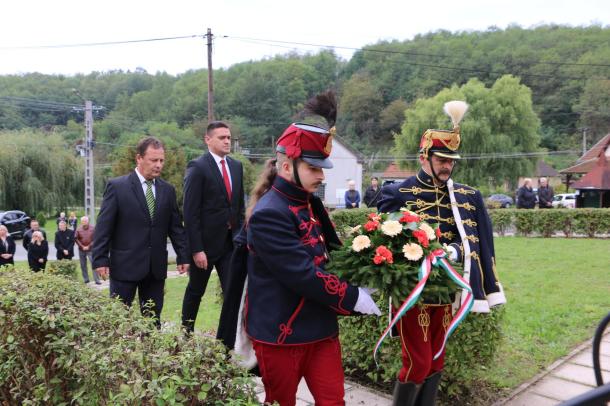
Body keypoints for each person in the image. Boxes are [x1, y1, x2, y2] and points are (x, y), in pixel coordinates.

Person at [245, 91, 381, 405]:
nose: (321, 176)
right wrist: (352, 297)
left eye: (321, 169)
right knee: (281, 402)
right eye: (313, 168)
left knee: (333, 401)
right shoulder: (268, 214)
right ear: (286, 167)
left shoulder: (310, 203)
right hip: (282, 332)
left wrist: (368, 268)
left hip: (320, 327)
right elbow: (302, 274)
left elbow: (331, 254)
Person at [378, 101, 506, 405]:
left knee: (436, 360)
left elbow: (482, 242)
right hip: (414, 293)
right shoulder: (397, 193)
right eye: (441, 159)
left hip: (449, 291)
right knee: (418, 363)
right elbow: (386, 238)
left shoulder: (468, 196)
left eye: (451, 160)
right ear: (425, 157)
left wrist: (456, 251)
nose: (447, 165)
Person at [92, 136, 189, 324]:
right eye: (154, 160)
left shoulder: (167, 190)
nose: (159, 165)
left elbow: (175, 228)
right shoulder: (117, 187)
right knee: (119, 322)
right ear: (139, 158)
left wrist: (183, 255)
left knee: (153, 321)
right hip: (124, 267)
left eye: (161, 160)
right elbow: (104, 226)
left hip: (155, 269)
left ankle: (151, 354)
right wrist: (100, 259)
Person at [181, 121, 245, 333]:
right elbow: (190, 213)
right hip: (205, 247)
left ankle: (226, 341)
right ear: (208, 140)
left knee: (232, 293)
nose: (227, 141)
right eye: (222, 137)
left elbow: (239, 207)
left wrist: (241, 238)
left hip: (230, 244)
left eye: (229, 137)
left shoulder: (236, 167)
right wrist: (197, 249)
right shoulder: (197, 167)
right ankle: (186, 334)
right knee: (195, 291)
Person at [75, 216, 100, 284]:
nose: (84, 222)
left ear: (88, 221)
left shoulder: (93, 228)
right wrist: (82, 246)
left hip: (91, 249)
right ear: (81, 222)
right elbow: (76, 239)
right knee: (83, 265)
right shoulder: (78, 229)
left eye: (85, 221)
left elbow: (95, 238)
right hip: (81, 249)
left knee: (94, 264)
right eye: (83, 221)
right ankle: (86, 279)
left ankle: (97, 280)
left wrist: (89, 246)